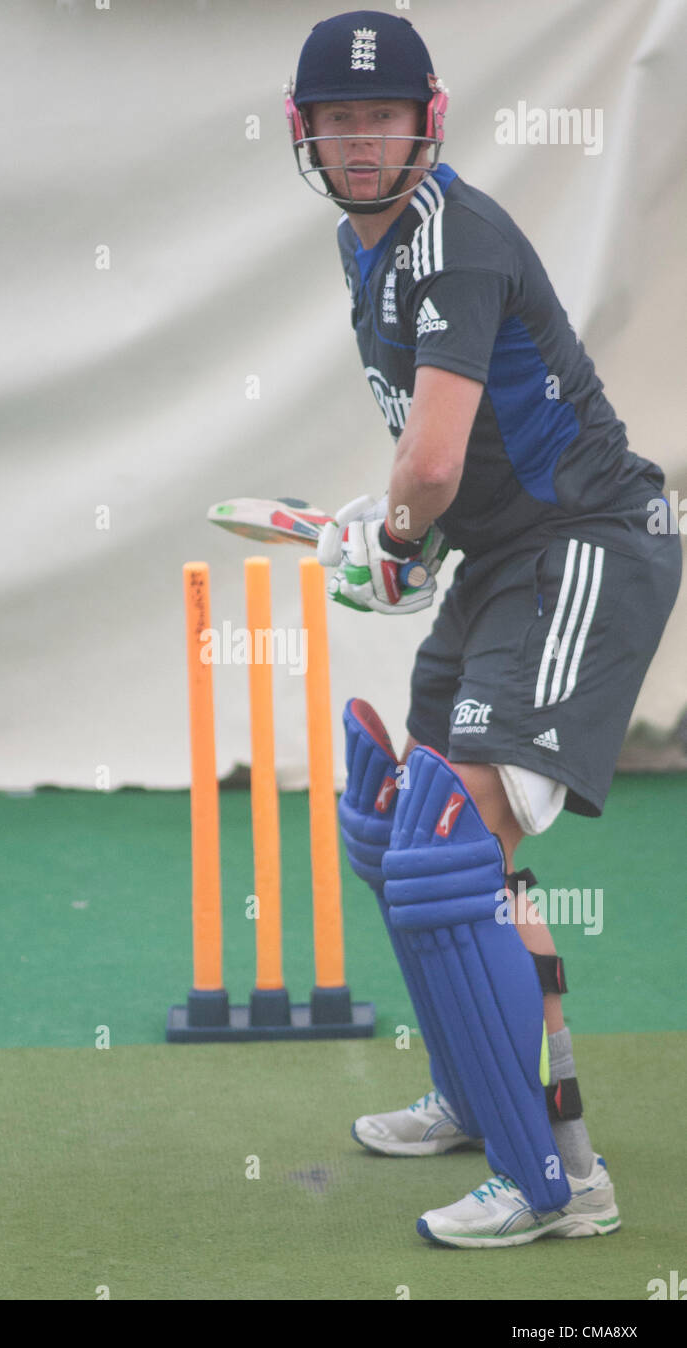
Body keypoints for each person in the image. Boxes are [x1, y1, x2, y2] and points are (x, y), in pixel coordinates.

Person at [285, 10, 681, 1247]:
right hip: (506, 552)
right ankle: (473, 1095)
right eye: (339, 120)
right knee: (407, 824)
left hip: (585, 547)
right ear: (304, 132)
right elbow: (437, 453)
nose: (360, 141)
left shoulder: (451, 240)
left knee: (456, 836)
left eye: (382, 117)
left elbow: (437, 457)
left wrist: (398, 537)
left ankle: (559, 1175)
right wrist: (398, 523)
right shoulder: (367, 247)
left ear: (427, 119)